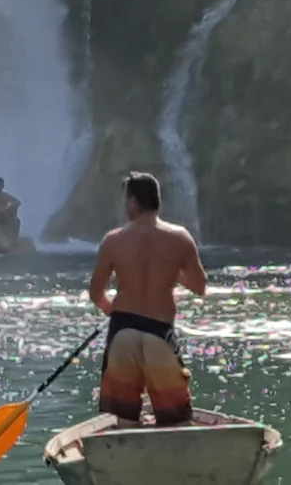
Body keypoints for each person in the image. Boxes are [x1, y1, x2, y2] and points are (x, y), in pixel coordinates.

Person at [88, 172, 206, 426]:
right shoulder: (180, 237)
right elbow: (199, 287)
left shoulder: (113, 240)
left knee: (125, 419)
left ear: (133, 203)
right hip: (158, 334)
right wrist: (173, 271)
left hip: (122, 333)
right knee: (176, 421)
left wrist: (112, 310)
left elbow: (95, 293)